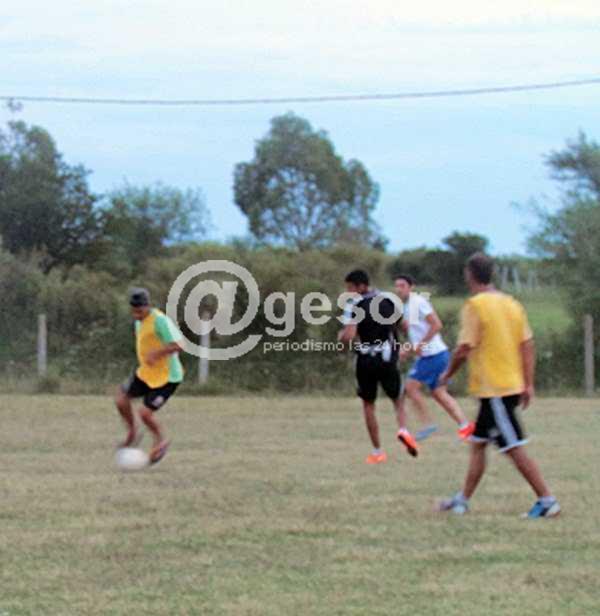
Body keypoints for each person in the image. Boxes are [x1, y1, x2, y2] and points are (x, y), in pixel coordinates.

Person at [437, 253, 560, 518]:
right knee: (478, 444)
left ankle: (547, 500)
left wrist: (446, 375)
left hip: (495, 390)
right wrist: (528, 383)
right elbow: (527, 345)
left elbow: (464, 348)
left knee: (513, 446)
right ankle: (462, 500)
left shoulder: (475, 305)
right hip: (507, 386)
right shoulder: (511, 304)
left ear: (469, 274)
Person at [338, 269, 419, 463]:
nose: (348, 292)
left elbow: (349, 336)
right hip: (387, 356)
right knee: (398, 399)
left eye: (350, 288)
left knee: (368, 404)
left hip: (365, 359)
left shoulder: (353, 305)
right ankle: (403, 429)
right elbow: (405, 326)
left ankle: (377, 451)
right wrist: (406, 345)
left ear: (361, 286)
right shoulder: (388, 299)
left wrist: (341, 340)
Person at [394, 274, 474, 442]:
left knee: (410, 387)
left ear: (411, 287)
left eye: (402, 286)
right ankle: (465, 426)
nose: (398, 289)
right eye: (397, 286)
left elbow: (436, 324)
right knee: (439, 393)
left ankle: (428, 424)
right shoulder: (407, 307)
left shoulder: (418, 302)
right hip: (434, 354)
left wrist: (421, 345)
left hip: (434, 355)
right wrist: (407, 350)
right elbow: (417, 334)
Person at [115, 288, 184, 465]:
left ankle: (160, 440)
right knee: (121, 400)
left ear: (147, 306)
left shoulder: (160, 320)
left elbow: (179, 345)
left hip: (167, 377)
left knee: (145, 413)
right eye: (133, 311)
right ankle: (133, 432)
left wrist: (157, 353)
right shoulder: (139, 321)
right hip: (146, 373)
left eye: (139, 311)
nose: (136, 315)